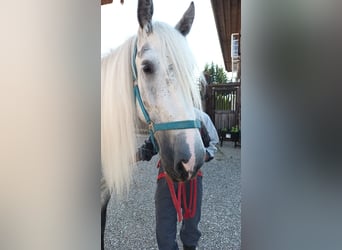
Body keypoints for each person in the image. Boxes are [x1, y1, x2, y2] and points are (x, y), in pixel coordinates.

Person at [137, 108, 219, 250]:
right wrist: (128, 158)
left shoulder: (201, 118)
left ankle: (190, 246)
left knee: (192, 220)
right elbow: (151, 146)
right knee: (164, 222)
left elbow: (212, 144)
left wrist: (198, 158)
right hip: (167, 177)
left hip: (192, 177)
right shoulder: (164, 118)